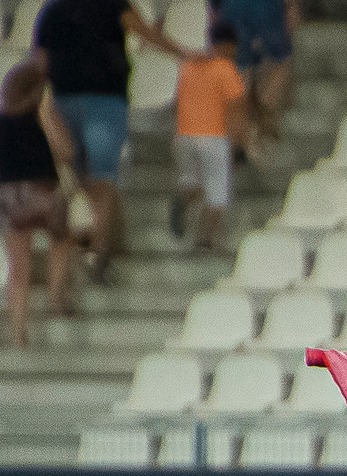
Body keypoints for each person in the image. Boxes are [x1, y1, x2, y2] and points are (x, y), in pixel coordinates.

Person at [29, 0, 185, 283]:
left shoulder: (59, 9)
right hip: (93, 101)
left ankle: (95, 250)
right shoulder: (73, 8)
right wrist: (184, 54)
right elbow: (143, 32)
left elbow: (39, 63)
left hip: (83, 101)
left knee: (91, 177)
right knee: (94, 177)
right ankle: (98, 247)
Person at [0, 56, 74, 348]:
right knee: (61, 240)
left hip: (9, 195)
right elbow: (66, 152)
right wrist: (46, 117)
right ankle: (56, 299)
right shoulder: (43, 115)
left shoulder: (3, 119)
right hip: (43, 191)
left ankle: (18, 332)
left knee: (19, 267)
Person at [170, 21, 246, 254]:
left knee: (193, 185)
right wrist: (238, 145)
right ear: (229, 45)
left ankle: (182, 201)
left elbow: (175, 103)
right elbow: (236, 109)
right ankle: (204, 239)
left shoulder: (189, 67)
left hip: (184, 136)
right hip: (213, 137)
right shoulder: (226, 69)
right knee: (217, 196)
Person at [216, 0, 295, 149]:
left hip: (234, 11)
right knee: (278, 63)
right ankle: (261, 122)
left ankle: (245, 132)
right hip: (266, 11)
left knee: (242, 69)